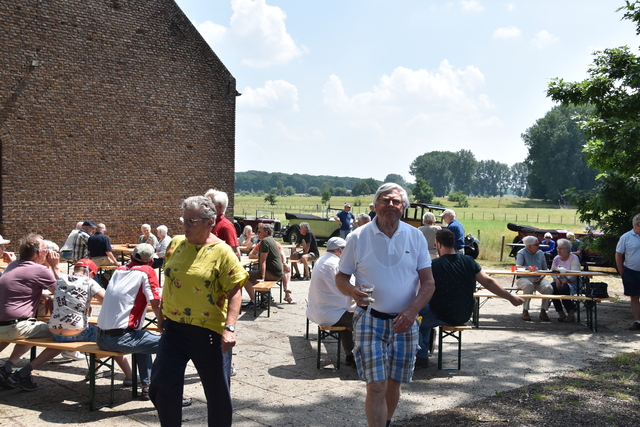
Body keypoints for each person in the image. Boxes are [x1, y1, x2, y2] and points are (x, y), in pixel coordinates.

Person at [336, 183, 435, 427]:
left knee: (394, 382)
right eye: (385, 200)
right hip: (370, 317)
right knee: (377, 385)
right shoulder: (358, 237)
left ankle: (387, 423)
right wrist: (352, 291)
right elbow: (341, 277)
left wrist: (412, 311)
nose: (390, 204)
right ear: (376, 205)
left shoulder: (415, 236)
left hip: (405, 321)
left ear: (403, 207)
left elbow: (429, 283)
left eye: (396, 201)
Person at [149, 196, 248, 427]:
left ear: (210, 222)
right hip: (174, 330)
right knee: (161, 385)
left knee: (217, 394)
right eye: (184, 220)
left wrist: (230, 328)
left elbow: (235, 291)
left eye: (192, 221)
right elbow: (171, 280)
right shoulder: (175, 244)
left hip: (209, 333)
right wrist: (162, 314)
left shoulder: (222, 252)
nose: (186, 226)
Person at [416, 229, 523, 366]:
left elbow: (421, 290)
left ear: (438, 245)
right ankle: (422, 354)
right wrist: (510, 297)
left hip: (441, 314)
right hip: (464, 314)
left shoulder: (434, 265)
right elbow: (488, 282)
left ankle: (420, 355)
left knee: (416, 316)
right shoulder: (469, 261)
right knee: (423, 317)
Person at [96, 243, 162, 401]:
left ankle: (147, 385)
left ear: (131, 257)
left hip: (100, 337)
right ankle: (167, 392)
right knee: (174, 344)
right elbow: (156, 302)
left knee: (142, 337)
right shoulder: (147, 271)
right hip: (120, 338)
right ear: (151, 261)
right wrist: (162, 324)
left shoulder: (119, 270)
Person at [49, 258, 132, 383]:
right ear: (92, 273)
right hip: (77, 332)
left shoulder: (61, 279)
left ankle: (95, 370)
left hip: (55, 333)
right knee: (109, 338)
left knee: (95, 334)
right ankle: (129, 376)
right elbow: (107, 302)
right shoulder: (89, 282)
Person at [0, 234, 62, 391]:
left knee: (27, 328)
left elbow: (18, 286)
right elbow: (65, 294)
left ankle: (6, 368)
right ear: (39, 253)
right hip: (16, 327)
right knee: (66, 336)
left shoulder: (13, 265)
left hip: (4, 326)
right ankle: (23, 373)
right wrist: (54, 267)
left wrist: (43, 295)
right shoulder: (40, 270)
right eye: (46, 250)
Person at [306, 237, 356, 366]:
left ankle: (350, 355)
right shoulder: (336, 265)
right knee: (367, 322)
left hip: (315, 310)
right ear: (340, 250)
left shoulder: (321, 260)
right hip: (330, 314)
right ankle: (362, 359)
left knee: (349, 315)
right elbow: (352, 287)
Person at [244, 223, 294, 307]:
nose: (257, 233)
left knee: (244, 276)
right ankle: (266, 297)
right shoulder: (272, 240)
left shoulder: (265, 241)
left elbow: (263, 261)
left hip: (273, 273)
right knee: (253, 276)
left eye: (259, 231)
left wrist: (262, 278)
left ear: (266, 232)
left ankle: (254, 302)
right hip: (278, 272)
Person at [515, 235, 553, 321]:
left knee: (548, 288)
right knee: (529, 285)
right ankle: (525, 310)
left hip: (538, 278)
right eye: (536, 244)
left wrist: (541, 278)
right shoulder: (521, 252)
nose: (538, 246)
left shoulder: (540, 253)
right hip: (523, 278)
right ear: (529, 246)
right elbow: (517, 267)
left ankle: (543, 311)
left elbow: (545, 269)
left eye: (538, 244)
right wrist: (527, 268)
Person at [615, 213, 640, 331]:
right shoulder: (626, 237)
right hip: (631, 271)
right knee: (634, 297)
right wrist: (622, 272)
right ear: (637, 224)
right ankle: (637, 321)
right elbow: (618, 254)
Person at [205, 188, 242, 261]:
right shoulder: (207, 224)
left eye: (208, 204)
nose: (205, 207)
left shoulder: (226, 226)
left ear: (219, 207)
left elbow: (236, 254)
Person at [550, 238, 581, 322]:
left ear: (567, 249)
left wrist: (565, 281)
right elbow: (553, 272)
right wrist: (557, 281)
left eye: (560, 248)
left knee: (563, 290)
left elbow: (575, 273)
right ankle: (560, 313)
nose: (558, 250)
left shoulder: (574, 258)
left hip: (572, 282)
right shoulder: (556, 258)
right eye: (557, 248)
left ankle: (570, 313)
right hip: (559, 281)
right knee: (551, 289)